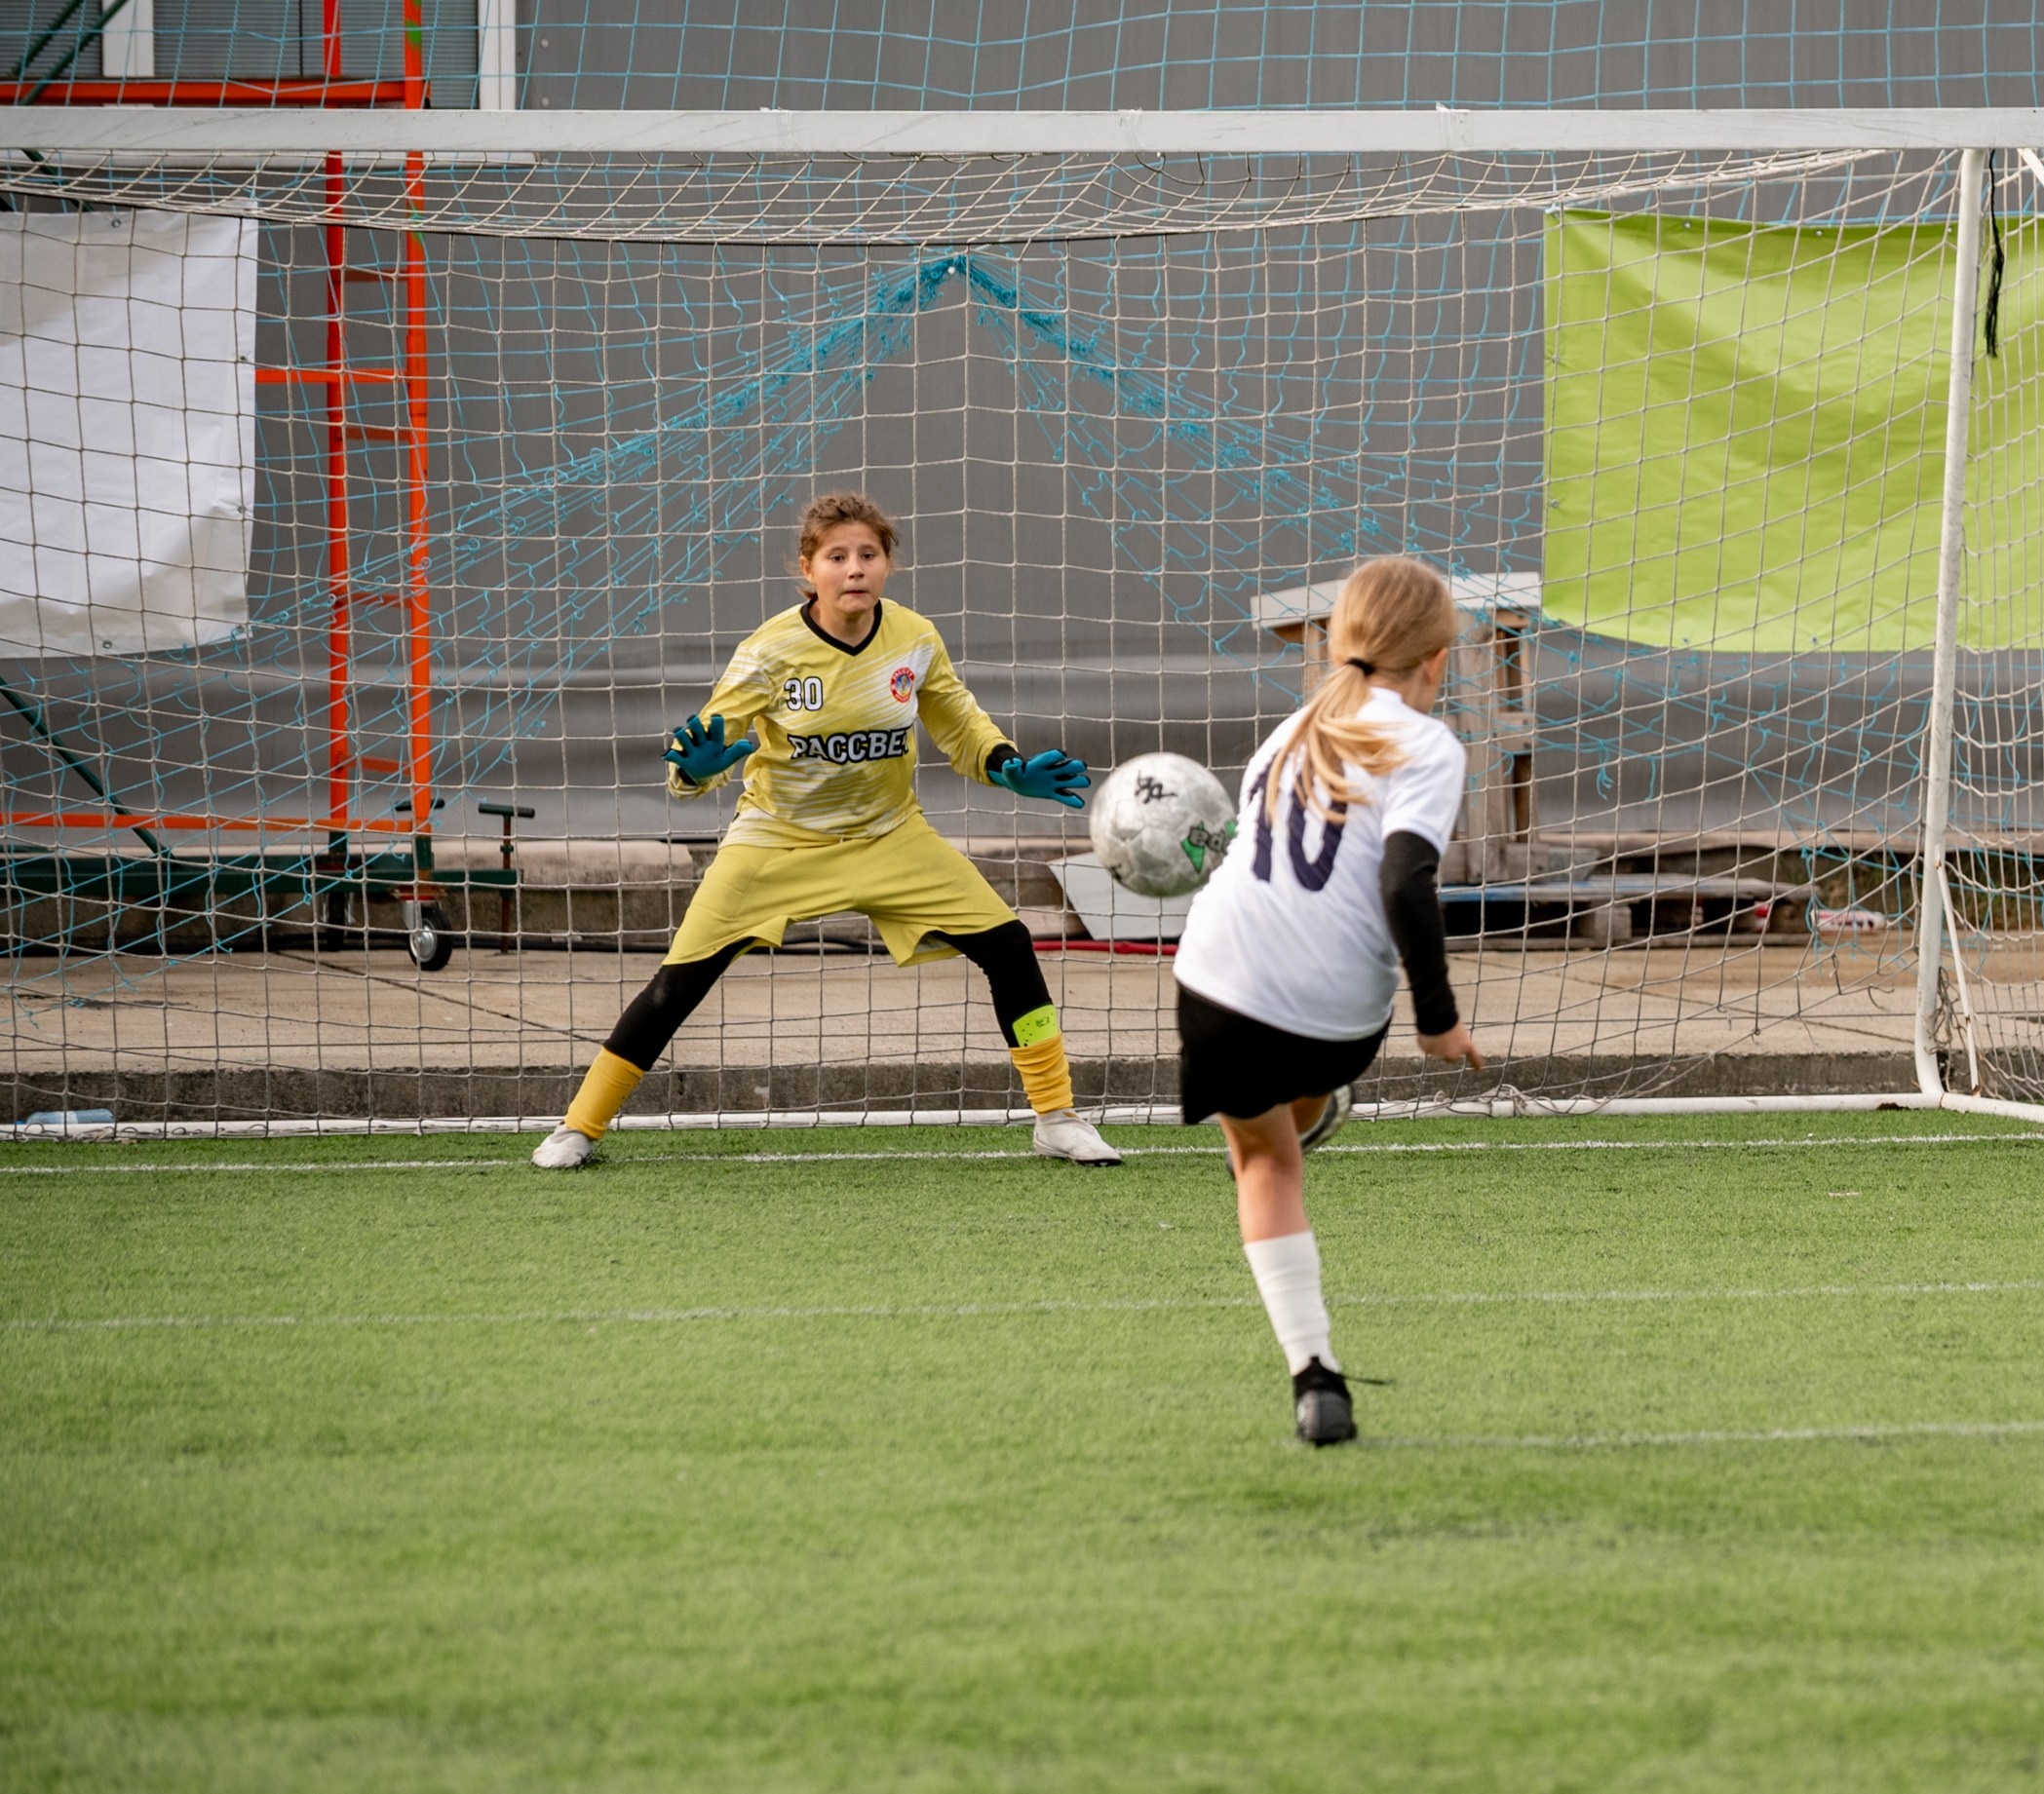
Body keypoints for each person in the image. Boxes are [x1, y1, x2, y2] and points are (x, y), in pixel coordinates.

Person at [533, 491, 1122, 1169]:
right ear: (807, 569)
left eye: (867, 554)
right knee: (679, 981)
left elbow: (961, 726)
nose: (854, 569)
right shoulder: (770, 652)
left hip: (890, 836)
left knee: (1010, 944)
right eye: (836, 556)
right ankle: (578, 1127)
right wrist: (692, 774)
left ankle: (1057, 1118)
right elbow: (703, 747)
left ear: (887, 564)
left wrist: (1006, 766)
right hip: (776, 840)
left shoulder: (913, 639)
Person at [1172, 556, 1485, 1445]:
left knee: (1263, 1162)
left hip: (1215, 979)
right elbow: (1405, 881)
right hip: (1334, 1012)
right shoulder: (1427, 744)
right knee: (1293, 1109)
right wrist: (1437, 1016)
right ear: (1437, 659)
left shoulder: (1290, 729)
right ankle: (1312, 1100)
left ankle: (1315, 1376)